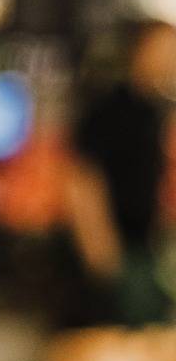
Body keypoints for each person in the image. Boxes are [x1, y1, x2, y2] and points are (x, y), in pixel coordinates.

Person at [69, 19, 176, 326]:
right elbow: (82, 179)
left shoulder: (155, 110)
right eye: (165, 49)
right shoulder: (110, 109)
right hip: (119, 250)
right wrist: (101, 250)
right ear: (140, 52)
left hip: (148, 247)